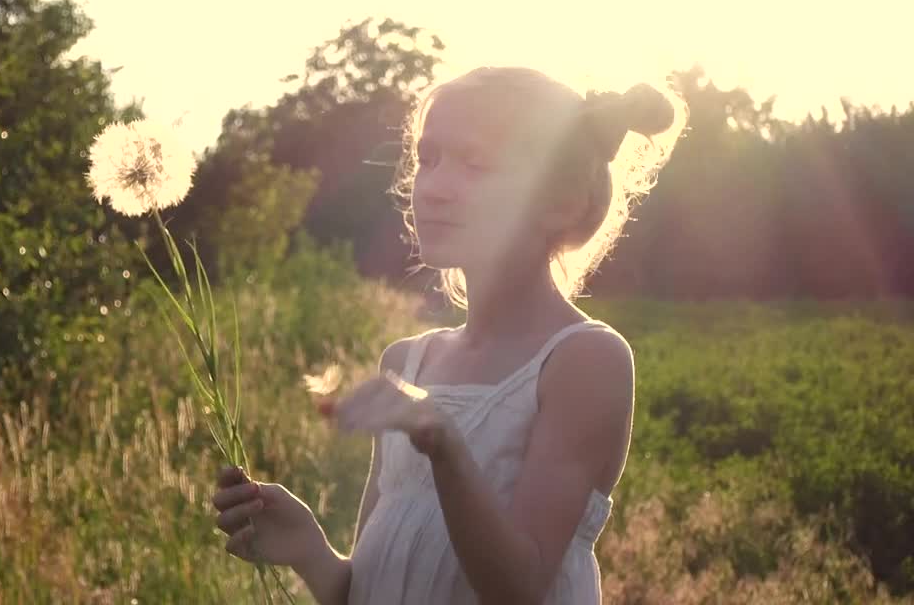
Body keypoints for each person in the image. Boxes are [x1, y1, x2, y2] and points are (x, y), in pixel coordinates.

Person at [211, 66, 687, 604]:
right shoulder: (408, 362)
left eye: (474, 164)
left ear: (561, 200)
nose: (433, 186)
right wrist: (310, 551)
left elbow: (520, 588)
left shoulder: (584, 360)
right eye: (428, 159)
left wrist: (443, 442)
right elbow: (365, 592)